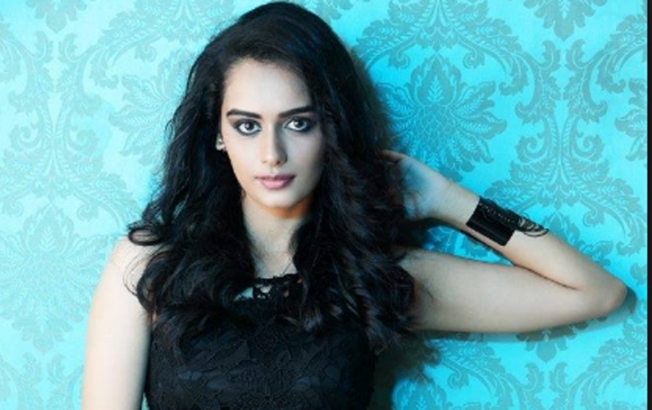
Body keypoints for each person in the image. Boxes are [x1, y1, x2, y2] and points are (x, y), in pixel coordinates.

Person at [81, 2, 626, 409]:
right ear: (218, 135)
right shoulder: (150, 264)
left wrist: (450, 200)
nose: (272, 153)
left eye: (299, 123)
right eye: (247, 126)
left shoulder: (373, 277)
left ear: (331, 130)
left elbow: (595, 292)